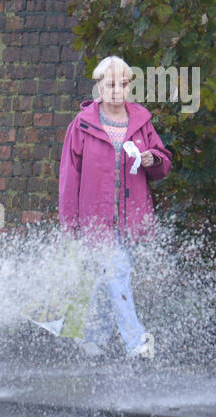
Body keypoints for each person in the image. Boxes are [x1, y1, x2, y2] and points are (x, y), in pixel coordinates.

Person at [58, 56, 173, 359]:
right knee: (117, 272)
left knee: (108, 278)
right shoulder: (81, 126)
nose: (116, 90)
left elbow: (163, 163)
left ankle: (92, 337)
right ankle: (136, 343)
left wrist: (154, 159)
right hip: (96, 221)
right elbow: (70, 177)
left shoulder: (141, 122)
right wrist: (70, 223)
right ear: (98, 86)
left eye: (123, 84)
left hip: (131, 219)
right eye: (110, 84)